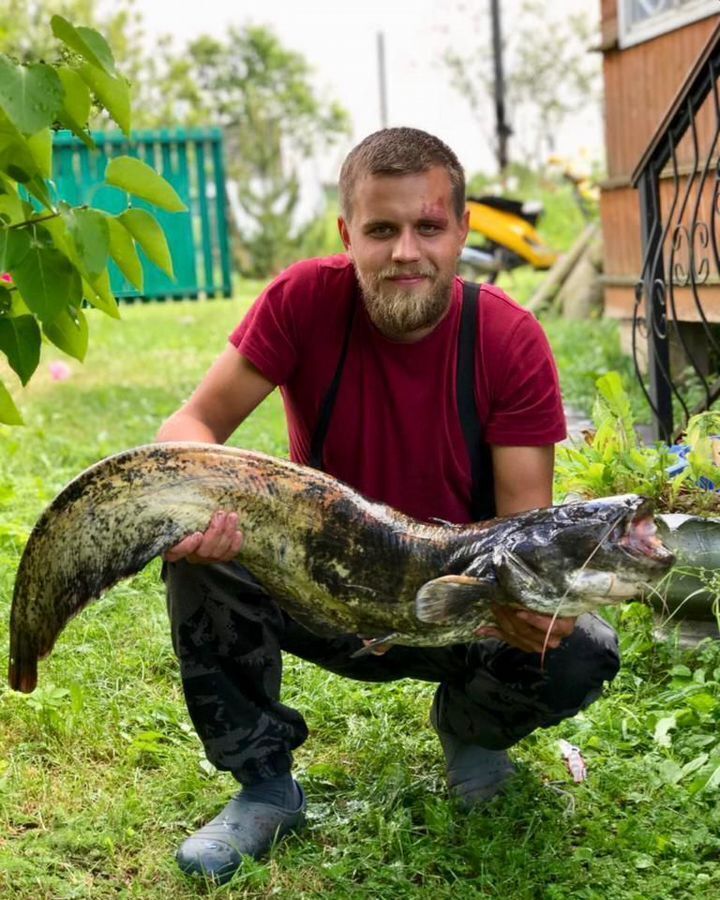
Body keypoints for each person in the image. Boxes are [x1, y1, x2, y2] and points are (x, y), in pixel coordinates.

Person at [157, 127, 620, 885]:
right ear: (349, 235)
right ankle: (265, 785)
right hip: (323, 592)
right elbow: (190, 426)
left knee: (577, 648)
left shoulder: (510, 340)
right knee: (201, 566)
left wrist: (538, 609)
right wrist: (197, 504)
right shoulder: (302, 300)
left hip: (456, 603)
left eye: (428, 226)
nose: (406, 251)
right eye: (382, 229)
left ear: (462, 231)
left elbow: (522, 536)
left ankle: (471, 734)